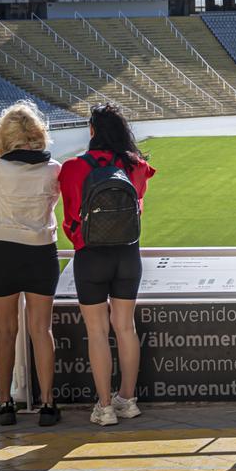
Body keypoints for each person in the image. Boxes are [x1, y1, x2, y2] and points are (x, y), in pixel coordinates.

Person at [0, 101, 63, 426]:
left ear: (3, 136)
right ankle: (48, 404)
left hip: (5, 251)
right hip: (40, 252)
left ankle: (5, 403)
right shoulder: (54, 168)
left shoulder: (0, 168)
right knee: (41, 330)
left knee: (5, 331)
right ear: (38, 134)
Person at [59, 104, 156, 426]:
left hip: (90, 256)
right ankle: (128, 399)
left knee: (97, 332)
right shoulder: (136, 166)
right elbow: (139, 205)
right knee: (126, 328)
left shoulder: (73, 167)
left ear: (92, 131)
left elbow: (71, 216)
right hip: (127, 254)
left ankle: (104, 406)